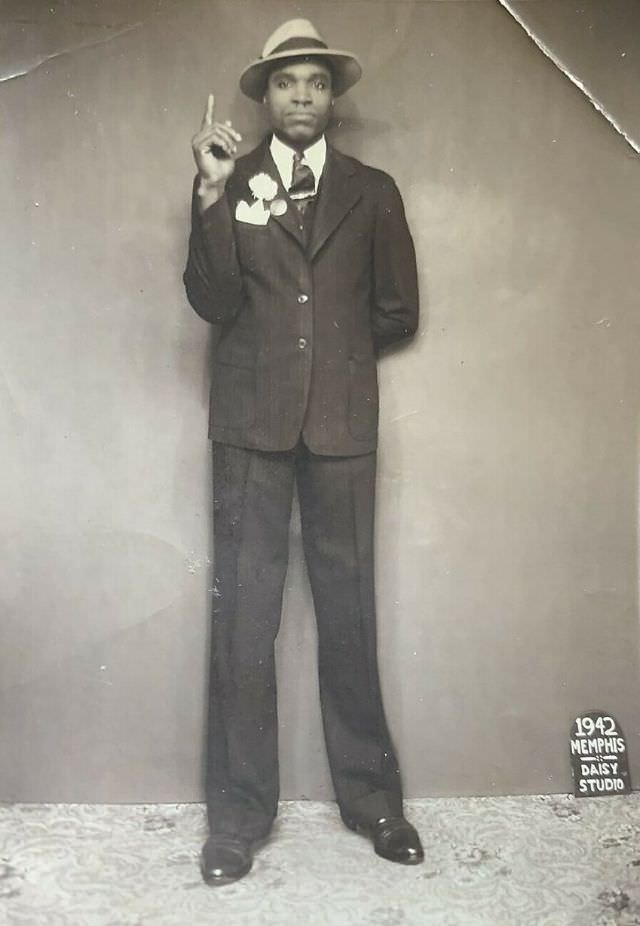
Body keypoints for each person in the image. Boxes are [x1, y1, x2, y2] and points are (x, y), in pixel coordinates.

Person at [183, 18, 422, 886]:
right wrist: (209, 198)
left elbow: (399, 310)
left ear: (333, 99)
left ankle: (376, 804)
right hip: (250, 429)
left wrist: (330, 359)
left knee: (349, 615)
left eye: (316, 83)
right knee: (243, 622)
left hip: (342, 430)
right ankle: (237, 821)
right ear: (263, 96)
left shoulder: (374, 189)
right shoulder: (228, 180)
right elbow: (210, 301)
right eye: (286, 83)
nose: (300, 97)